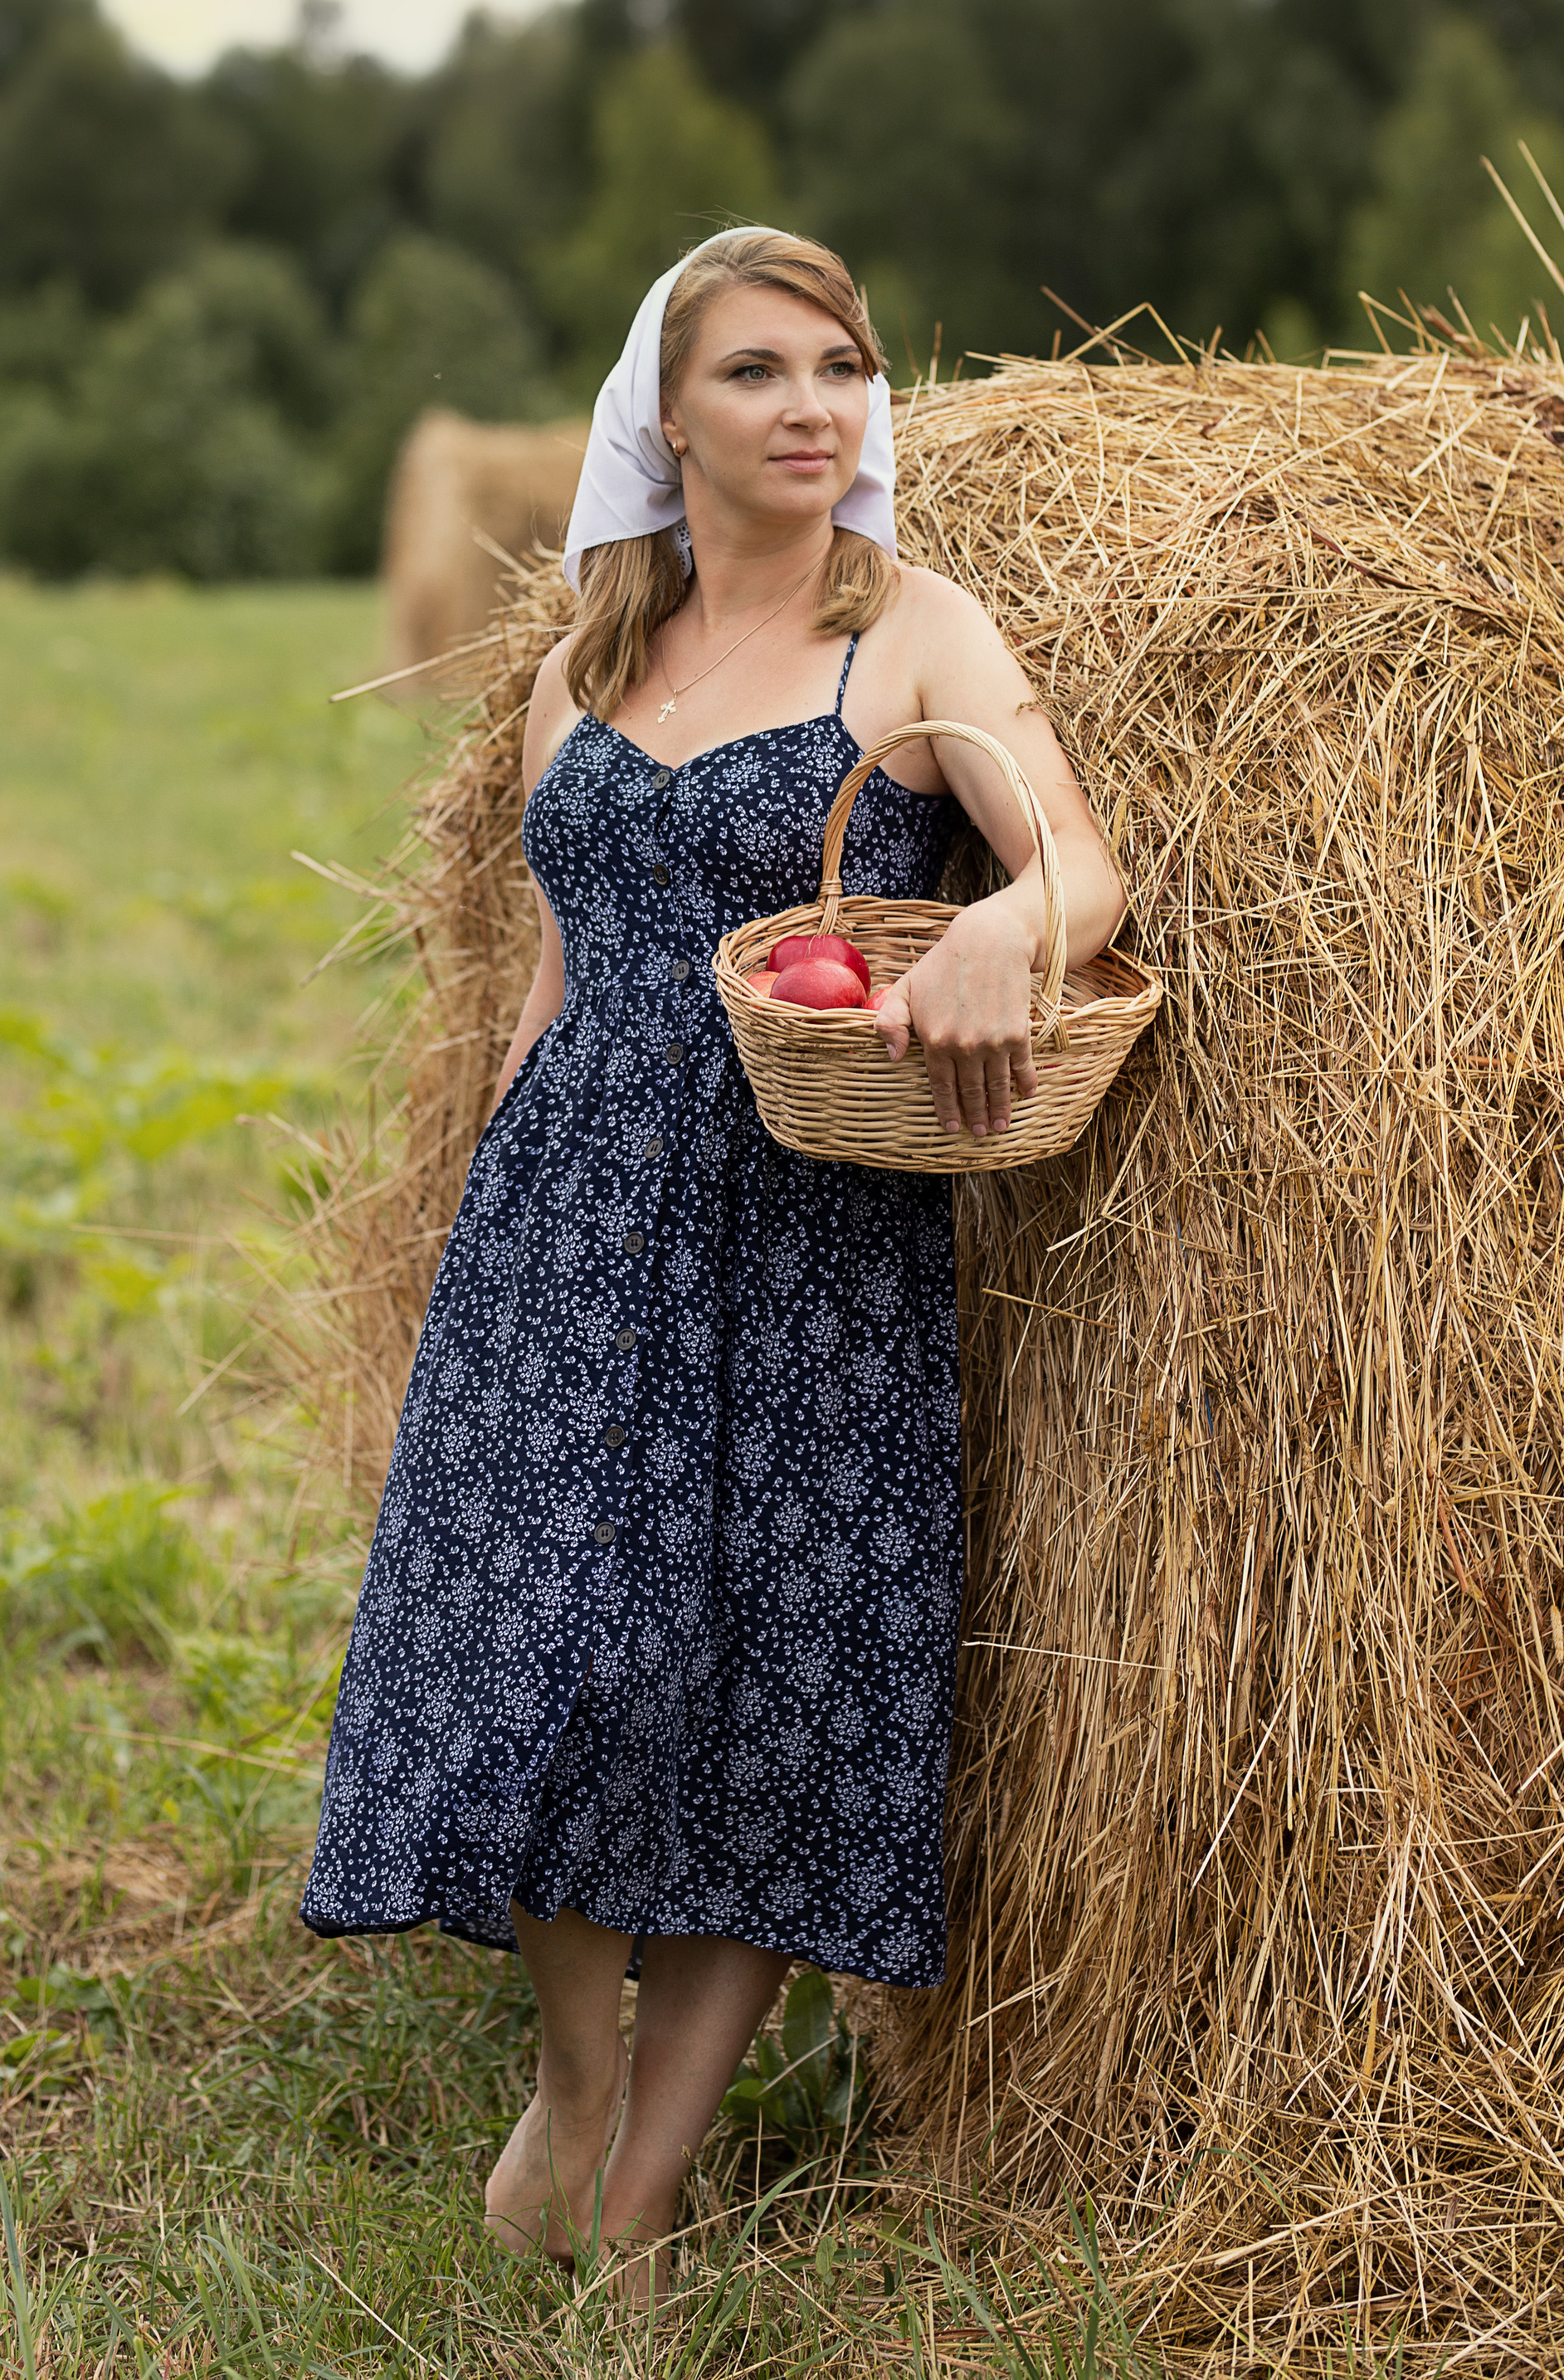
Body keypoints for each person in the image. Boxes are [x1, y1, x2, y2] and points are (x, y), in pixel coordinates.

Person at [300, 227, 1123, 2305]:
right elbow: (553, 975)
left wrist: (1015, 940)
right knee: (553, 1673)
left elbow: (1080, 862)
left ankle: (639, 2196)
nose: (811, 405)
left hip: (806, 1239)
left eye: (841, 368)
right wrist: (473, 1215)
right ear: (667, 420)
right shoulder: (591, 663)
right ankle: (569, 2118)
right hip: (563, 1228)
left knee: (774, 1699)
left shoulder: (917, 636)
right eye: (759, 372)